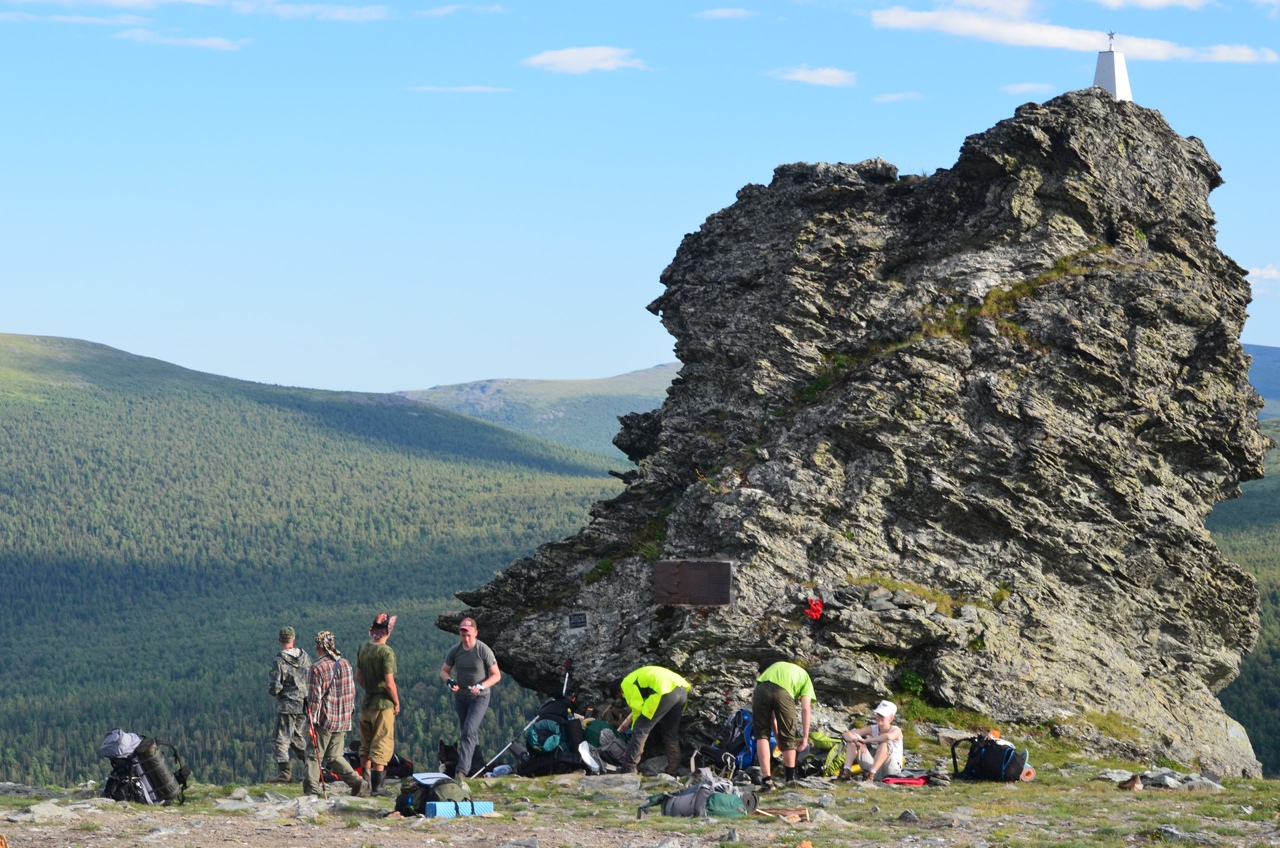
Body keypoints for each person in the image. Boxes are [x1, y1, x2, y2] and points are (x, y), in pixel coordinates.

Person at [301, 631, 366, 797]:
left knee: (313, 755)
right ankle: (357, 781)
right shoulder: (345, 663)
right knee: (334, 755)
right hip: (343, 718)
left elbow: (315, 700)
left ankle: (312, 791)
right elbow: (351, 691)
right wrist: (349, 712)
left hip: (324, 719)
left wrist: (310, 724)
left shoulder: (317, 668)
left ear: (318, 646)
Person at [439, 616, 501, 779]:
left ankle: (461, 772)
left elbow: (496, 675)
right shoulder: (455, 650)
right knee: (470, 734)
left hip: (480, 698)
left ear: (475, 633)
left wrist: (481, 686)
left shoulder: (483, 650)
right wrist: (449, 682)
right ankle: (478, 769)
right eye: (463, 634)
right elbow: (444, 671)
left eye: (469, 634)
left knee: (468, 731)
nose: (466, 638)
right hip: (461, 698)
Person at [615, 665, 691, 775]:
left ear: (619, 690)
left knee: (641, 730)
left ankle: (629, 768)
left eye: (620, 696)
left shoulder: (626, 683)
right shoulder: (639, 676)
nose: (623, 697)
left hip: (664, 691)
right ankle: (673, 768)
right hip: (681, 690)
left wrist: (633, 728)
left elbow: (637, 708)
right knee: (671, 732)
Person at [356, 612, 400, 795]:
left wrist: (370, 689)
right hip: (383, 704)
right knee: (381, 743)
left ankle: (364, 784)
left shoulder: (363, 648)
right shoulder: (386, 652)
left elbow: (358, 676)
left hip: (368, 702)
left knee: (366, 744)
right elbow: (389, 683)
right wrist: (396, 702)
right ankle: (378, 787)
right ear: (388, 631)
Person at [752, 660, 814, 791]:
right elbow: (806, 709)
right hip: (784, 692)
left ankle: (767, 780)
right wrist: (805, 737)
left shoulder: (776, 666)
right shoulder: (805, 677)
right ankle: (790, 780)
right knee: (788, 736)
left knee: (762, 734)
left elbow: (773, 716)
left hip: (761, 689)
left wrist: (776, 737)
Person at [268, 626, 312, 783]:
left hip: (288, 705)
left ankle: (284, 773)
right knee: (296, 737)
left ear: (280, 640)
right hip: (304, 703)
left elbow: (275, 687)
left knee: (280, 739)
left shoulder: (280, 661)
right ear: (293, 639)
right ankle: (312, 767)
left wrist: (275, 691)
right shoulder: (305, 657)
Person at [840, 700, 904, 782]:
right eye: (878, 714)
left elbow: (887, 737)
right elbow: (846, 734)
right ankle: (846, 771)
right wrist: (857, 741)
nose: (879, 717)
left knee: (885, 743)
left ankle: (871, 774)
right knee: (854, 737)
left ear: (891, 718)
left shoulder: (896, 730)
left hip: (892, 770)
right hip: (877, 768)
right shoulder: (874, 728)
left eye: (882, 715)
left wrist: (865, 741)